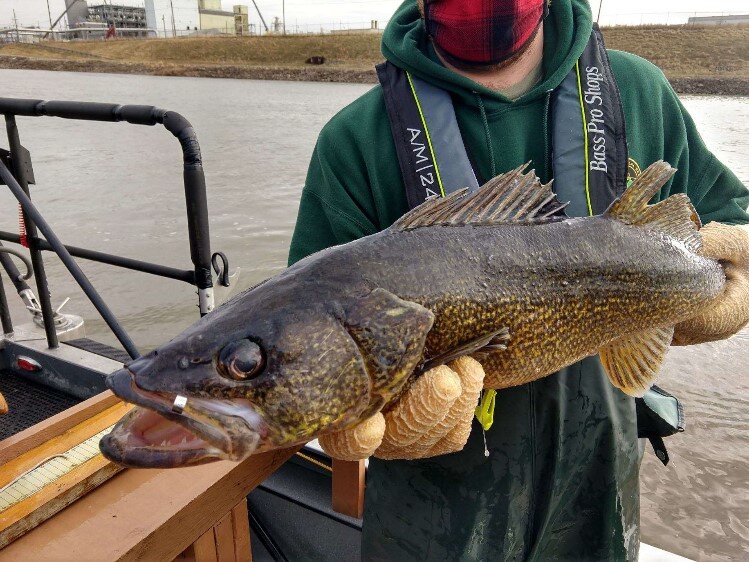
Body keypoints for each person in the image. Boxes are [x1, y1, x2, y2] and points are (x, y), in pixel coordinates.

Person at [289, 0, 749, 559]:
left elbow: (737, 228)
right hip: (431, 511)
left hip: (596, 487)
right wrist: (360, 426)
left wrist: (728, 281)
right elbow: (306, 330)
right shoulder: (353, 140)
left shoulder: (639, 91)